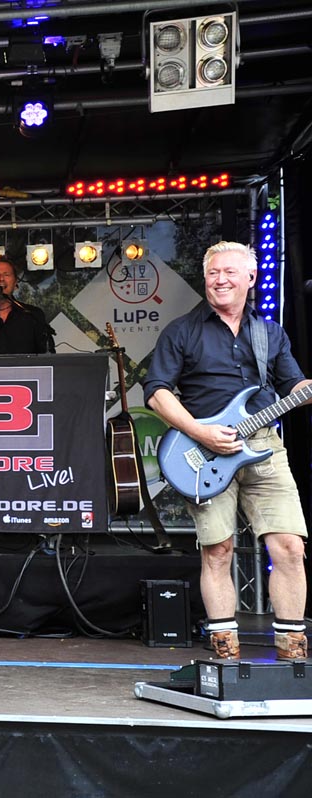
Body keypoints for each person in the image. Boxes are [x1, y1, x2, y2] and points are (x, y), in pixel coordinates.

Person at [144, 240, 308, 662]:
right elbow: (156, 393)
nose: (220, 280)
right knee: (218, 550)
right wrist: (200, 432)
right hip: (205, 450)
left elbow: (294, 387)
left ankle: (292, 650)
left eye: (230, 273)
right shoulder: (182, 330)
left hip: (264, 447)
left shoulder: (269, 333)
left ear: (251, 279)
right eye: (214, 273)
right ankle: (224, 650)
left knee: (289, 546)